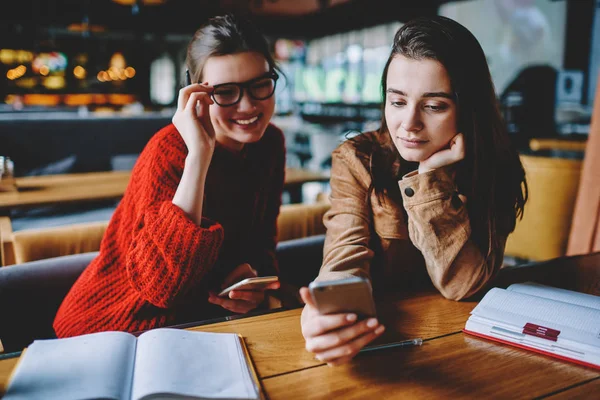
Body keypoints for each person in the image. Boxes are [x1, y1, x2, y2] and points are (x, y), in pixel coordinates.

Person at [300, 15, 528, 365]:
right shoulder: (358, 158)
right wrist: (326, 314)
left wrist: (430, 182)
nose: (408, 124)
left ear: (468, 109)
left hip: (464, 347)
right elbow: (344, 257)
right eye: (397, 101)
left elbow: (465, 285)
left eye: (434, 106)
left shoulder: (493, 165)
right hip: (381, 345)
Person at [54, 14, 284, 337]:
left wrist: (251, 283)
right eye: (226, 92)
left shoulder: (270, 145)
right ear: (196, 93)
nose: (247, 106)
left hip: (198, 327)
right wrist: (199, 156)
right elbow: (160, 287)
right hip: (113, 328)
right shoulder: (169, 150)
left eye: (260, 85)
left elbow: (262, 245)